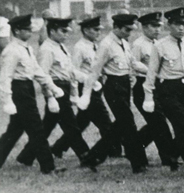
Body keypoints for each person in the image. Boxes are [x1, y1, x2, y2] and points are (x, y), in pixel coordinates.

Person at [15, 17, 96, 171]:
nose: (66, 34)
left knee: (47, 126)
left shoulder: (61, 47)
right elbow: (43, 75)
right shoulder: (47, 49)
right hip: (55, 89)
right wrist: (50, 98)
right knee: (71, 125)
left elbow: (70, 70)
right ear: (52, 31)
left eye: (67, 31)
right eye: (63, 31)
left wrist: (79, 86)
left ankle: (26, 155)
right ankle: (86, 156)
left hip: (64, 87)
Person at [78, 14, 149, 173]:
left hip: (124, 85)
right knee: (128, 124)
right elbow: (95, 70)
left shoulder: (123, 42)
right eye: (126, 29)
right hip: (113, 86)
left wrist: (152, 71)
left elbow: (133, 63)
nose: (129, 33)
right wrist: (86, 94)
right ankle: (138, 163)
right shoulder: (106, 45)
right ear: (116, 27)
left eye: (131, 30)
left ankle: (93, 157)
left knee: (119, 126)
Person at [0, 14, 66, 175]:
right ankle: (48, 166)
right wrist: (7, 100)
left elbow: (37, 71)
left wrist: (51, 86)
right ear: (17, 31)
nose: (30, 33)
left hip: (26, 87)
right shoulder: (12, 51)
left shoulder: (26, 48)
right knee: (36, 127)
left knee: (15, 129)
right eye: (27, 30)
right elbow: (5, 77)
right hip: (19, 89)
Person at [143, 7, 184, 179]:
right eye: (177, 24)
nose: (181, 28)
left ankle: (172, 154)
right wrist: (149, 96)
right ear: (169, 25)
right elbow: (151, 72)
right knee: (182, 128)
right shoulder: (160, 46)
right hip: (169, 90)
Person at [50, 16, 117, 159]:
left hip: (97, 86)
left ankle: (58, 147)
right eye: (95, 29)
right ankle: (113, 149)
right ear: (86, 30)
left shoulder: (96, 46)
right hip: (86, 88)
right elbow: (73, 71)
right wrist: (75, 94)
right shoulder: (79, 48)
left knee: (82, 121)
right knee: (104, 120)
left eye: (100, 29)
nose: (99, 32)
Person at [131, 11, 178, 170]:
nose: (157, 29)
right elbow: (134, 64)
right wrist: (152, 72)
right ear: (144, 27)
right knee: (159, 123)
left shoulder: (158, 43)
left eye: (159, 26)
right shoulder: (139, 44)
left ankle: (134, 147)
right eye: (153, 26)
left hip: (157, 86)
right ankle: (168, 157)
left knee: (156, 123)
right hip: (143, 85)